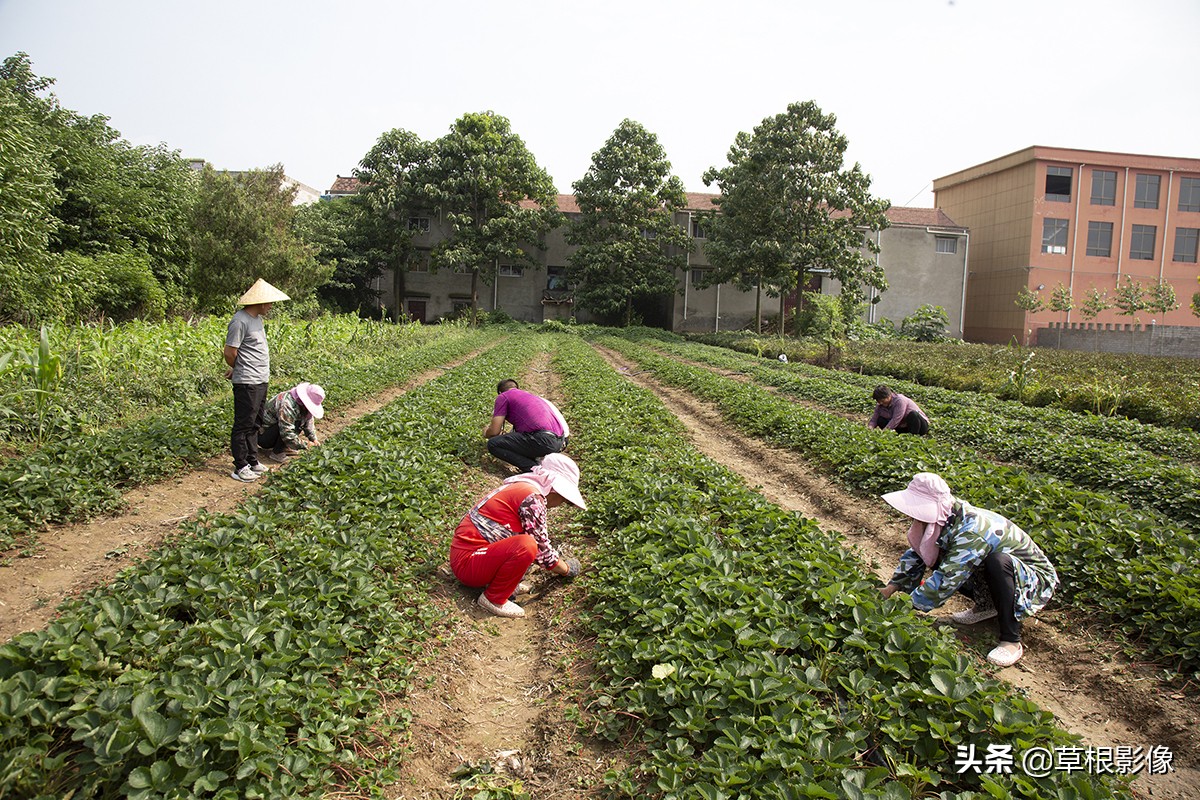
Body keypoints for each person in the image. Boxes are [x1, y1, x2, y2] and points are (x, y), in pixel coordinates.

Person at [878, 472, 1058, 667]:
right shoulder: (943, 517)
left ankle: (1011, 640)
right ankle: (987, 606)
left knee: (996, 562)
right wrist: (890, 589)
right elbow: (919, 552)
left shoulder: (972, 530)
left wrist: (904, 608)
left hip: (1031, 580)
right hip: (997, 573)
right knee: (945, 555)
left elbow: (949, 576)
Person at [450, 453, 585, 618]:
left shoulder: (522, 487)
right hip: (468, 564)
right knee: (527, 545)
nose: (561, 504)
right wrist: (566, 569)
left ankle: (507, 584)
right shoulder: (532, 499)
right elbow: (541, 550)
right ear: (555, 489)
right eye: (565, 500)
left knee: (525, 540)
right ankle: (494, 598)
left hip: (473, 557)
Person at [224, 278, 289, 482]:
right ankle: (240, 465)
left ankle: (253, 460)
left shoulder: (257, 320)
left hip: (260, 379)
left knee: (255, 422)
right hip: (247, 381)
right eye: (269, 303)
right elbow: (229, 352)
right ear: (261, 302)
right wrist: (239, 369)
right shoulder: (240, 320)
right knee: (243, 424)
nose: (271, 307)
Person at [483, 378, 570, 472]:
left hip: (543, 440)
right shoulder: (532, 397)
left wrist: (486, 432)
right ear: (517, 388)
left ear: (500, 392)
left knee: (493, 444)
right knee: (523, 442)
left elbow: (494, 431)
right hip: (561, 442)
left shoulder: (503, 397)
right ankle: (541, 466)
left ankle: (535, 470)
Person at [259, 382, 325, 462]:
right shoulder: (287, 404)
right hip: (264, 435)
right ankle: (277, 452)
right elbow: (286, 431)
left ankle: (285, 446)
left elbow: (308, 421)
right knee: (296, 423)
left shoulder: (302, 406)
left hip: (276, 429)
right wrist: (305, 445)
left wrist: (313, 439)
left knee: (299, 420)